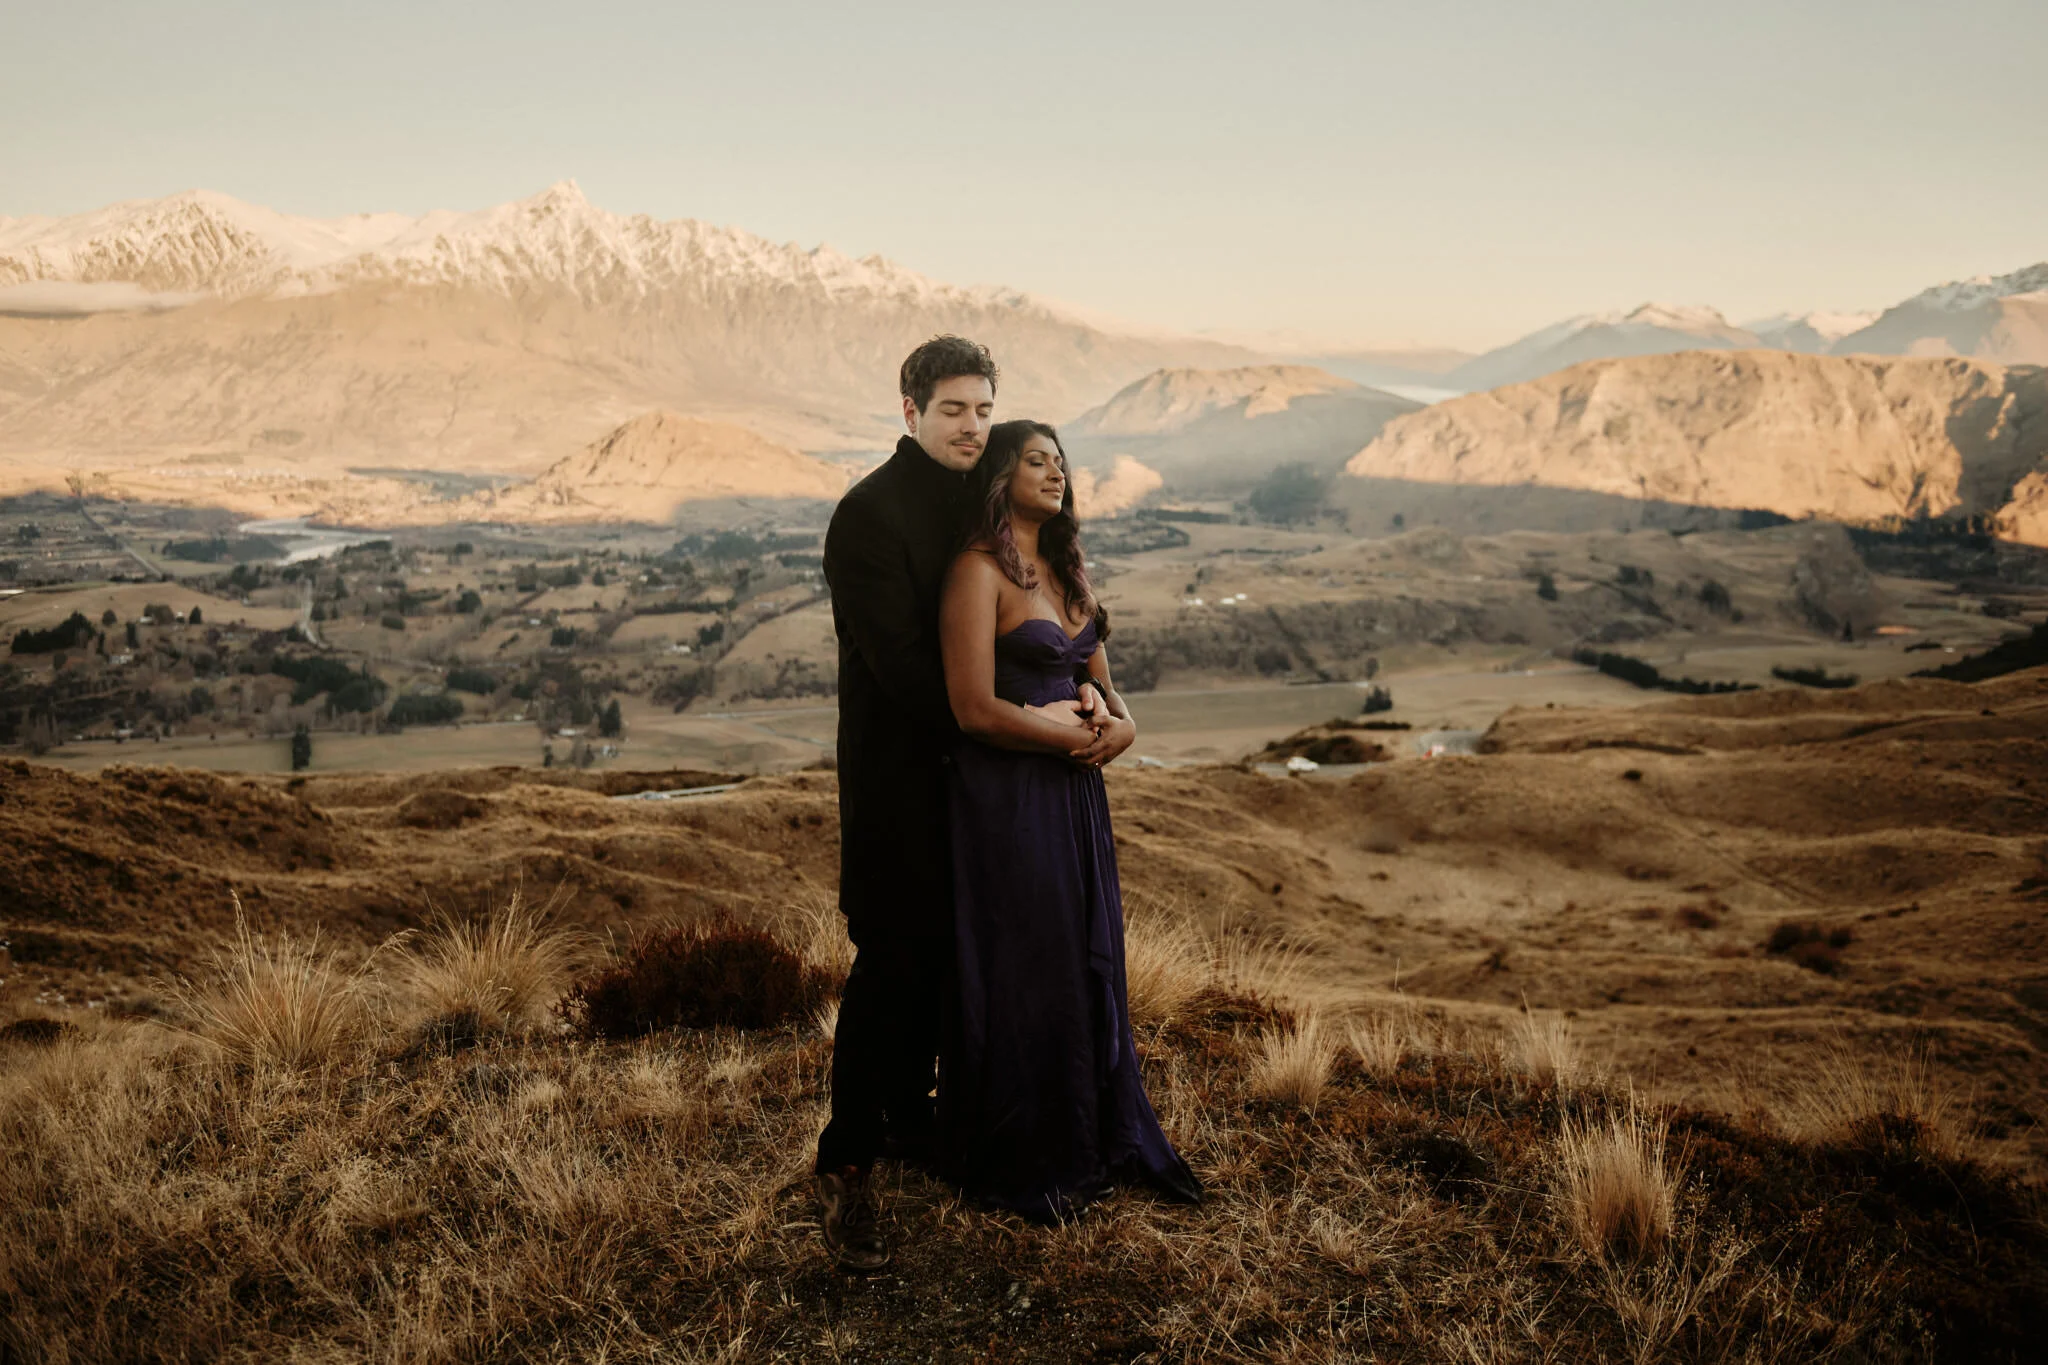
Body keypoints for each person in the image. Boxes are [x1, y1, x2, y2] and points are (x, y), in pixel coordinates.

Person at [814, 338, 1087, 1271]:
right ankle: (847, 1151)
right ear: (909, 411)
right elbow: (900, 670)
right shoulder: (868, 515)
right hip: (903, 780)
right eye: (952, 411)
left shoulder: (984, 509)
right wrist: (1012, 721)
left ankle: (913, 1119)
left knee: (958, 959)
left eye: (983, 410)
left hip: (984, 780)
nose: (971, 426)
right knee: (895, 959)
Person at [935, 419, 1203, 1221]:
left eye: (1060, 463)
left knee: (1087, 955)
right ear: (998, 476)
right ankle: (1027, 1150)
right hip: (1009, 801)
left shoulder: (1067, 569)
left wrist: (1124, 729)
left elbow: (1108, 691)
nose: (1054, 473)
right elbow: (971, 708)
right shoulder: (975, 573)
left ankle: (1092, 1134)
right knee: (1031, 964)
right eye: (1034, 460)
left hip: (1078, 797)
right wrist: (1055, 732)